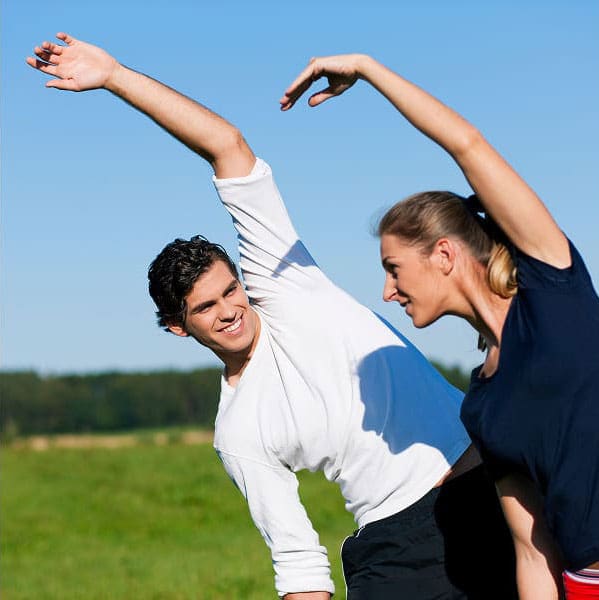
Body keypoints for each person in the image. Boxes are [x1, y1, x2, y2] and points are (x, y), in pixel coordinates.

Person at [27, 34, 518, 599]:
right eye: (205, 309)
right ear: (178, 327)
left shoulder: (284, 285)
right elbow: (298, 559)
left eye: (229, 290)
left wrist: (113, 76)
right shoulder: (237, 429)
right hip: (401, 549)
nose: (230, 311)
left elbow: (227, 146)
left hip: (489, 478)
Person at [280, 53, 599, 599]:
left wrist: (367, 69)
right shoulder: (483, 405)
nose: (387, 290)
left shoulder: (554, 289)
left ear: (444, 254)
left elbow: (467, 145)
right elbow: (532, 546)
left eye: (394, 268)